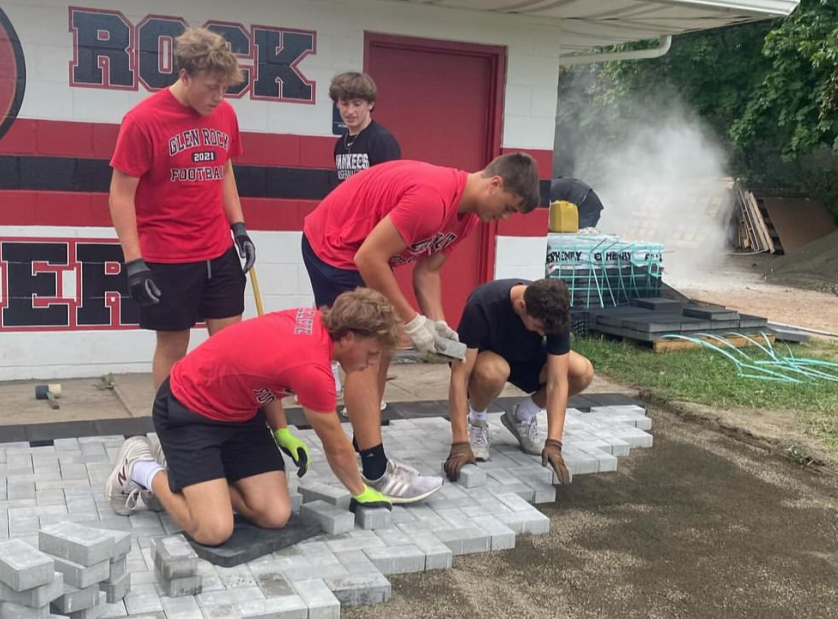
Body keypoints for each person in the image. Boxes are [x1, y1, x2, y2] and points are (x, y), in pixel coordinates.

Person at [301, 153, 541, 503]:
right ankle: (374, 469)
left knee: (380, 345)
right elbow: (368, 258)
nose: (504, 217)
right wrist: (413, 322)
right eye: (508, 207)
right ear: (495, 184)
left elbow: (427, 272)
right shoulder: (433, 198)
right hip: (334, 246)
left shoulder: (466, 219)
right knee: (364, 354)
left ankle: (365, 443)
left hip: (361, 249)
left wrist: (437, 323)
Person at [104, 289, 398, 546]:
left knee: (274, 514)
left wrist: (281, 429)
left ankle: (190, 474)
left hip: (239, 414)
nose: (372, 362)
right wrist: (360, 491)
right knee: (213, 530)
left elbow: (268, 373)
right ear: (347, 338)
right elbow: (336, 447)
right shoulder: (315, 369)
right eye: (371, 353)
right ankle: (141, 468)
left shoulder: (314, 321)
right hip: (188, 409)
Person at [108, 27, 256, 391]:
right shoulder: (143, 121)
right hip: (168, 256)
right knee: (174, 347)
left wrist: (238, 227)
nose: (219, 97)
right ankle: (170, 427)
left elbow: (223, 171)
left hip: (218, 250)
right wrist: (134, 264)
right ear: (185, 75)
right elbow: (120, 195)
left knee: (230, 345)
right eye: (211, 87)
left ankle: (226, 421)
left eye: (225, 88)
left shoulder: (225, 115)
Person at [442, 278, 595, 485]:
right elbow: (459, 376)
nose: (542, 334)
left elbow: (558, 381)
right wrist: (459, 443)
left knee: (581, 371)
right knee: (494, 371)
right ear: (522, 306)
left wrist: (554, 443)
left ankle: (521, 416)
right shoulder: (482, 304)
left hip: (525, 359)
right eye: (539, 328)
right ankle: (477, 421)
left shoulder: (554, 311)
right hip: (487, 363)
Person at [331, 71, 401, 183]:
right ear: (337, 104)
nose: (350, 111)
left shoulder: (382, 140)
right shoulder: (340, 143)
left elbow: (391, 186)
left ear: (370, 104)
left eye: (357, 104)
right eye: (344, 104)